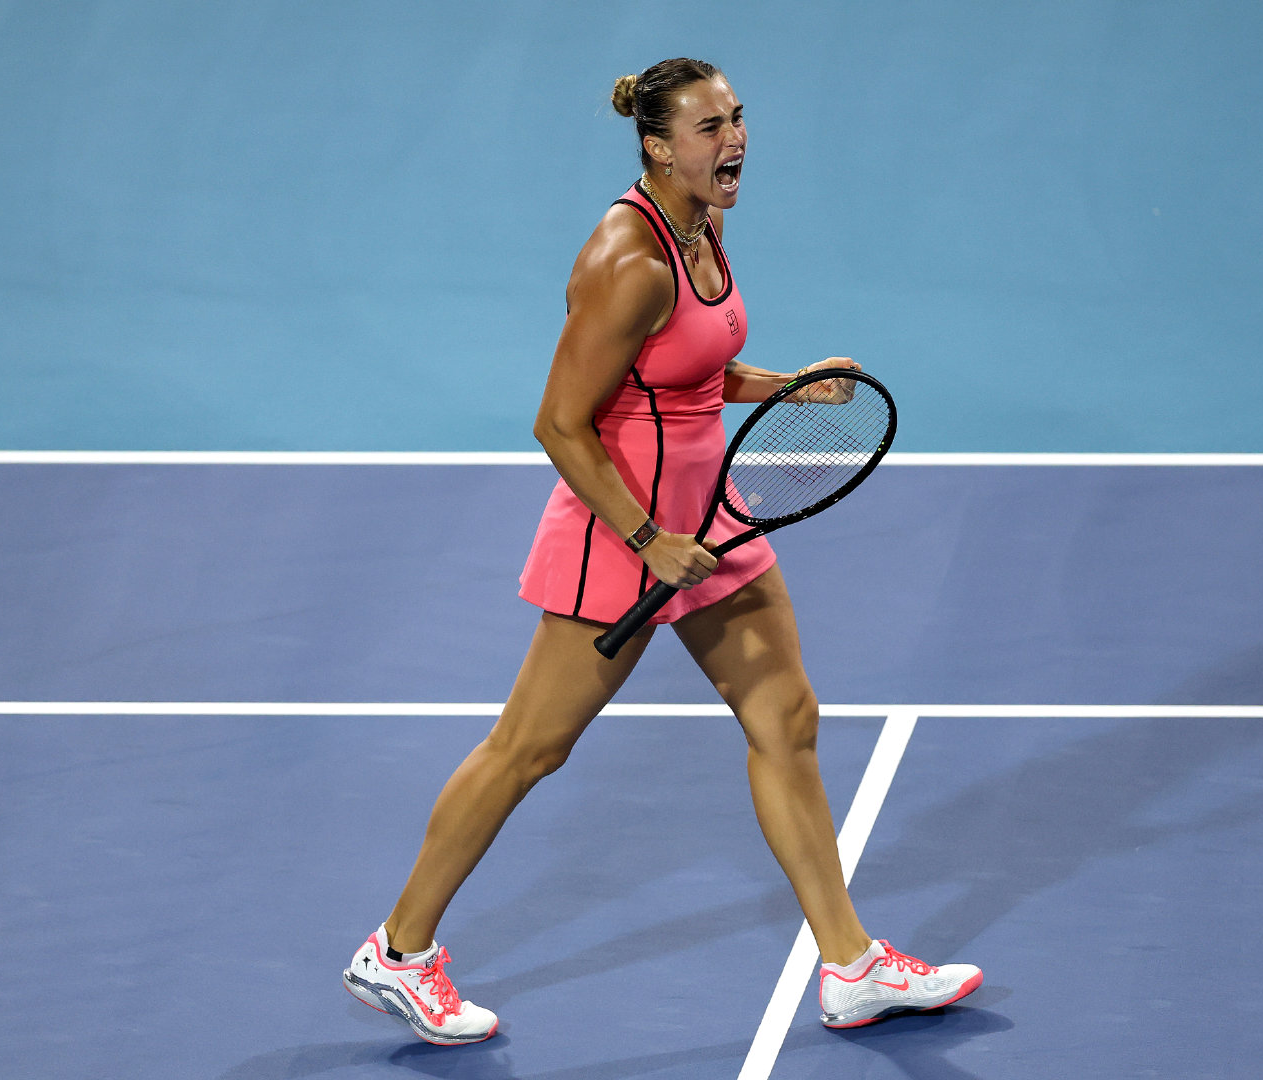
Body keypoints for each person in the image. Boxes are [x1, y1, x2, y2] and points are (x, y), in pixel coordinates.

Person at [343, 57, 982, 1045]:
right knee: (530, 749)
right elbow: (560, 424)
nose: (735, 140)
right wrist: (647, 538)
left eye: (737, 118)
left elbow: (692, 369)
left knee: (787, 719)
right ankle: (397, 951)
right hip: (622, 529)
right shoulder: (628, 262)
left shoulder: (702, 224)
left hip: (708, 518)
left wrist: (789, 386)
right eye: (709, 127)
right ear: (657, 147)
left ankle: (851, 967)